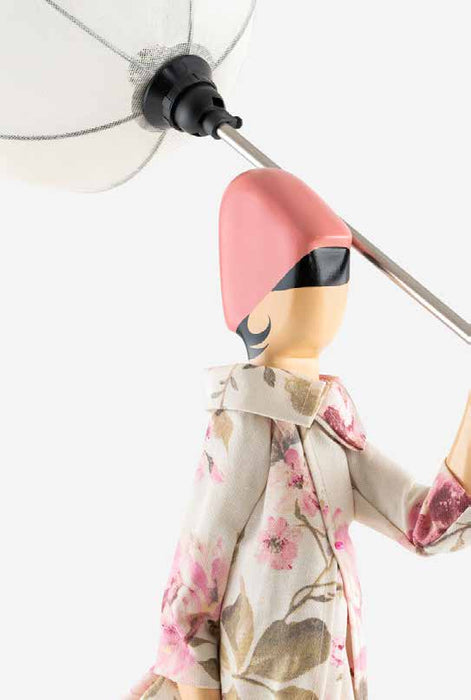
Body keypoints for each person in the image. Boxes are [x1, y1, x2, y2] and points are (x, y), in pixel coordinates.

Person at [127, 169, 471, 700]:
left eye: (337, 273)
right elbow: (190, 598)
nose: (332, 288)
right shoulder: (244, 421)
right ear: (258, 310)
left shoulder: (331, 424)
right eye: (312, 275)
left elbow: (430, 526)